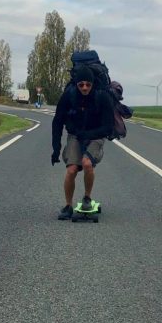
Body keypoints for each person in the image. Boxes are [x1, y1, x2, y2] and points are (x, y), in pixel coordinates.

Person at [51, 62, 114, 220]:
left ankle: (87, 198)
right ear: (76, 84)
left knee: (86, 163)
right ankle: (67, 206)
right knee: (71, 169)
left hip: (96, 135)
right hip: (75, 135)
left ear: (92, 84)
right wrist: (56, 149)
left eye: (88, 84)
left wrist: (89, 134)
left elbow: (108, 127)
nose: (85, 88)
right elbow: (57, 121)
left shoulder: (102, 96)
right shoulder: (69, 95)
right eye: (81, 84)